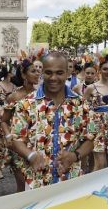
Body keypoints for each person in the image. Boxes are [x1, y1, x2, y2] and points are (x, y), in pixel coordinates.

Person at [10, 51, 95, 190]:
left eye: (59, 73)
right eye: (48, 72)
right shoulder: (26, 104)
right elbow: (16, 139)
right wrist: (30, 155)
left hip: (70, 180)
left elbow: (91, 138)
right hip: (36, 182)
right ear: (42, 72)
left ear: (68, 73)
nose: (53, 78)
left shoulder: (81, 104)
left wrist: (74, 156)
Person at [0, 58, 41, 192]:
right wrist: (7, 135)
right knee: (22, 185)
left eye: (38, 70)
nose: (37, 73)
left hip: (38, 142)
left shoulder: (42, 95)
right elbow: (4, 120)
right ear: (23, 74)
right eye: (33, 71)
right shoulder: (14, 96)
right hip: (19, 144)